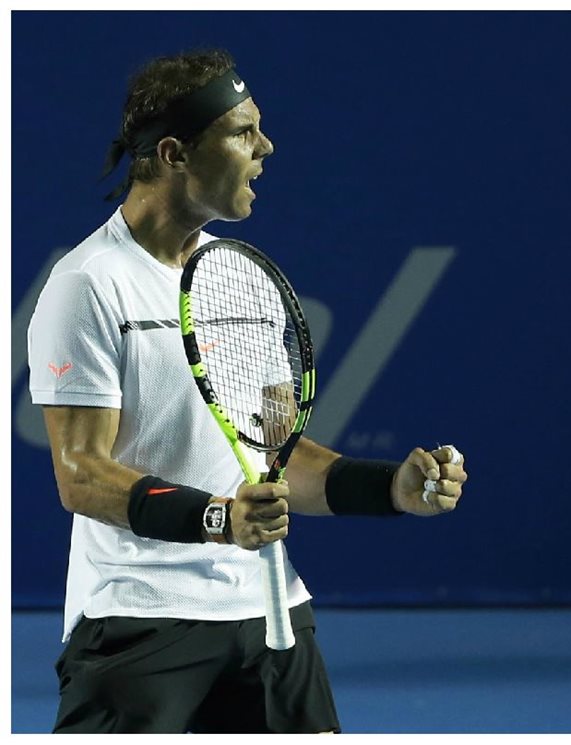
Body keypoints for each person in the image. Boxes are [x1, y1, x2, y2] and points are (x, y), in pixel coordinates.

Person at [27, 49, 469, 734]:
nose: (265, 147)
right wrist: (217, 519)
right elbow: (82, 475)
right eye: (243, 133)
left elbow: (277, 458)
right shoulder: (89, 285)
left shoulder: (240, 280)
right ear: (174, 152)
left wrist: (391, 489)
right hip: (140, 621)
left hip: (267, 613)